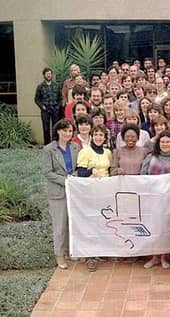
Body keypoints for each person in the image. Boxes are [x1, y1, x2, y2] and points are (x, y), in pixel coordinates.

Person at [141, 130, 170, 269]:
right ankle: (154, 257)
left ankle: (165, 256)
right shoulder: (150, 157)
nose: (165, 144)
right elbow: (142, 175)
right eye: (162, 142)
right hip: (154, 200)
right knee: (154, 228)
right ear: (158, 143)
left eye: (168, 142)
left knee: (168, 228)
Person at [43, 119, 80, 269]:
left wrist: (74, 177)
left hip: (74, 191)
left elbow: (80, 166)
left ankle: (70, 251)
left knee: (72, 223)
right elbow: (47, 172)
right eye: (64, 130)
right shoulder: (49, 149)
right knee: (59, 225)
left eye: (70, 131)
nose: (67, 133)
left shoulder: (76, 147)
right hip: (58, 192)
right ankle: (59, 255)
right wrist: (65, 180)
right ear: (58, 131)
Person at [35, 67, 61, 145]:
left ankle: (55, 143)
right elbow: (37, 99)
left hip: (55, 109)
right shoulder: (40, 86)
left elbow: (60, 98)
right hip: (45, 110)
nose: (49, 75)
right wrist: (42, 106)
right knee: (46, 128)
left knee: (55, 127)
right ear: (44, 75)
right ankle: (47, 144)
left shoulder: (56, 85)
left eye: (50, 74)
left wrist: (58, 107)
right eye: (47, 74)